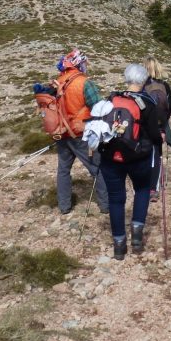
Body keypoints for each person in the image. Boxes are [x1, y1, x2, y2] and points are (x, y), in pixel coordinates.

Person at [32, 48, 109, 215]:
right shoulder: (83, 82)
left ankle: (64, 206)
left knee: (63, 170)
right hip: (81, 133)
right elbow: (99, 108)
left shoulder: (58, 82)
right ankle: (106, 205)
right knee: (97, 168)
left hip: (62, 133)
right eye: (84, 62)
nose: (85, 65)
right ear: (78, 63)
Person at [96, 63, 162, 260]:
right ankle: (137, 238)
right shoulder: (147, 102)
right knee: (142, 190)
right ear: (143, 81)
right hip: (138, 157)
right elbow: (153, 135)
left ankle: (118, 246)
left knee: (116, 199)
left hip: (110, 157)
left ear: (126, 79)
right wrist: (159, 141)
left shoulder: (111, 99)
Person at [142, 57, 171, 202]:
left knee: (143, 154)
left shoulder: (141, 85)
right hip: (159, 126)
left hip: (143, 126)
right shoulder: (164, 86)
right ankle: (153, 189)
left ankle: (142, 184)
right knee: (157, 155)